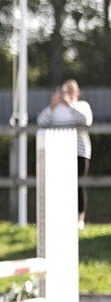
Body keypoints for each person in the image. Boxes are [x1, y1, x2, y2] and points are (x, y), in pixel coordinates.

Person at [37, 78, 93, 229]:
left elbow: (85, 120)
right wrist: (52, 106)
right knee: (59, 185)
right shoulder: (55, 110)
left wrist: (69, 105)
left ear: (77, 93)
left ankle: (79, 219)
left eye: (70, 90)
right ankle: (61, 217)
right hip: (59, 153)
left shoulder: (82, 106)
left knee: (78, 185)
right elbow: (41, 121)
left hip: (79, 152)